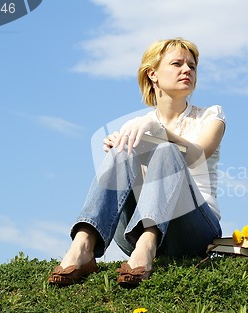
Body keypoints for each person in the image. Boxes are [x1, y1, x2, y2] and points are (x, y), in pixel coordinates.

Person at [48, 37, 226, 287]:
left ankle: (147, 246)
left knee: (167, 151)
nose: (187, 70)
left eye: (192, 66)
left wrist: (160, 133)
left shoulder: (211, 116)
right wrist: (119, 151)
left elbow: (198, 154)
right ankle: (83, 245)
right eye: (177, 64)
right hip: (132, 230)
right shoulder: (137, 125)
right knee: (122, 150)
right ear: (152, 74)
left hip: (195, 230)